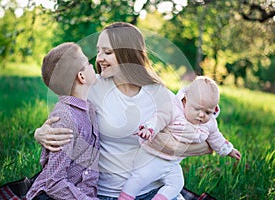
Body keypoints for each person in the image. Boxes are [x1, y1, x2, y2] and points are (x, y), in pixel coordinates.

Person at [33, 22, 212, 200]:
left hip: (150, 190)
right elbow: (65, 112)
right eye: (99, 51)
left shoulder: (159, 94)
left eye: (108, 52)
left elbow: (206, 133)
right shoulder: (92, 85)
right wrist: (39, 133)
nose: (99, 58)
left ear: (129, 54)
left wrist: (175, 147)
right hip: (102, 193)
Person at [119, 76, 241, 200]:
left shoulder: (209, 123)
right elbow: (159, 118)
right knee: (139, 178)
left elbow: (216, 138)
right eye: (197, 109)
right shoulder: (173, 110)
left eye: (208, 112)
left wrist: (228, 150)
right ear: (185, 100)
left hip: (173, 163)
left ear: (214, 109)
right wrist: (148, 129)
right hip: (154, 157)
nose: (201, 115)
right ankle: (125, 197)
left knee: (177, 184)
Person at [26, 42, 100, 200]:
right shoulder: (65, 118)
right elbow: (54, 183)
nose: (93, 65)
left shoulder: (89, 108)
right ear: (81, 77)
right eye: (88, 63)